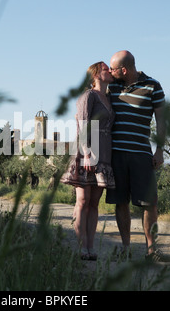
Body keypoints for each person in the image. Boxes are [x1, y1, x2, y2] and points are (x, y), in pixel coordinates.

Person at [106, 50, 166, 261]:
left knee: (150, 202)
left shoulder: (153, 86)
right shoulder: (110, 85)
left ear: (124, 69)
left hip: (142, 153)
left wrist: (159, 150)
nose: (110, 71)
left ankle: (152, 250)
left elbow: (161, 121)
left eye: (113, 68)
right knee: (120, 201)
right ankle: (125, 248)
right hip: (116, 154)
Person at [61, 61, 116, 261]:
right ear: (95, 75)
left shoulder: (109, 98)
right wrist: (86, 154)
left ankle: (91, 246)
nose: (109, 71)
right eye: (105, 69)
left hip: (104, 155)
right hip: (87, 152)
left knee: (94, 203)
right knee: (82, 201)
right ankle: (81, 246)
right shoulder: (88, 96)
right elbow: (83, 124)